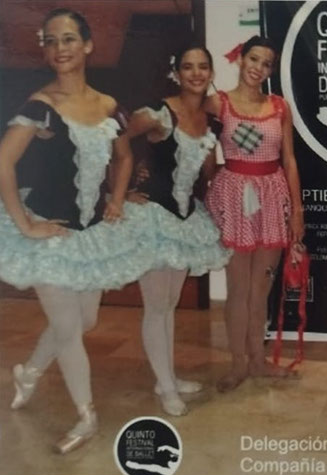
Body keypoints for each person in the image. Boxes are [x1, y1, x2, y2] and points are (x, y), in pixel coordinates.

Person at [0, 8, 149, 452]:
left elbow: (124, 156)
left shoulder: (109, 106)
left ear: (87, 45)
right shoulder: (40, 106)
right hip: (52, 232)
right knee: (68, 329)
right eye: (50, 41)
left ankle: (29, 372)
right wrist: (25, 223)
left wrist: (116, 198)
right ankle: (86, 418)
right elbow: (3, 161)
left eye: (67, 39)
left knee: (86, 320)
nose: (58, 48)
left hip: (90, 233)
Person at [125, 43, 230, 416]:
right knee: (156, 306)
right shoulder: (158, 113)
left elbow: (208, 172)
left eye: (203, 66)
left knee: (169, 304)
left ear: (211, 72)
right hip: (153, 217)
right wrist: (118, 191)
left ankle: (165, 377)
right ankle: (167, 387)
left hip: (185, 218)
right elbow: (113, 138)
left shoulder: (211, 121)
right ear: (177, 73)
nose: (196, 73)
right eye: (188, 67)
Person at [204, 35, 304, 392]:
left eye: (266, 63)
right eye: (254, 59)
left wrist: (297, 210)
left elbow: (289, 160)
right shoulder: (217, 103)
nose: (258, 68)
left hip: (272, 199)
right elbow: (200, 151)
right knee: (238, 289)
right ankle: (237, 364)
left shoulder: (279, 107)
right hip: (234, 201)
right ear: (240, 58)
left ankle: (258, 361)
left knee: (261, 288)